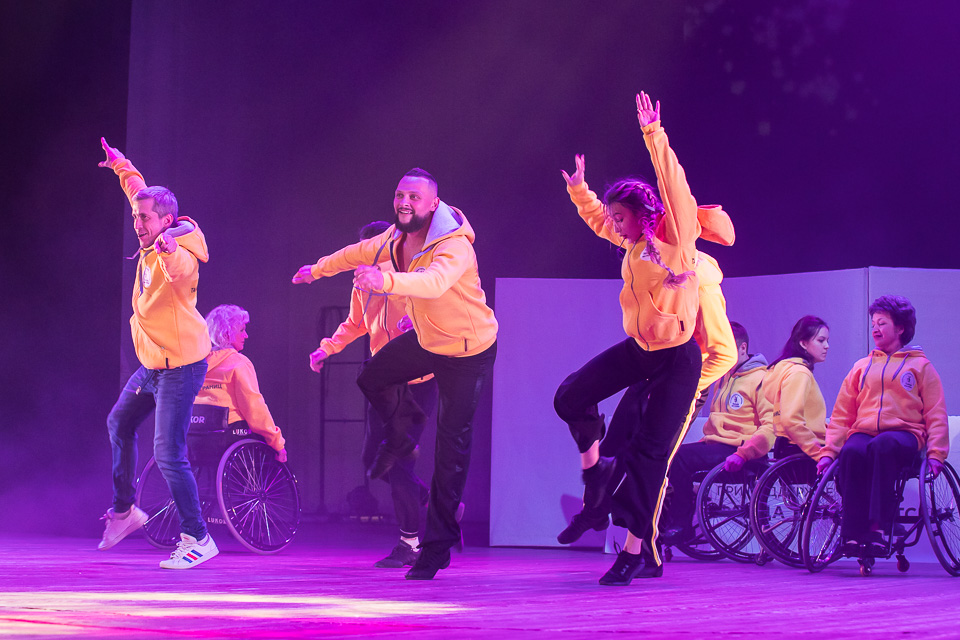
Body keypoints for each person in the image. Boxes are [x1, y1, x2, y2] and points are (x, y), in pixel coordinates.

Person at [292, 168, 497, 580]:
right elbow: (354, 253)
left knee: (450, 450)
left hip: (466, 349)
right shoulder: (392, 240)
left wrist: (385, 280)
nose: (405, 202)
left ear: (433, 204)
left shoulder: (454, 245)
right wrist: (318, 269)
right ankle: (402, 438)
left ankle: (432, 549)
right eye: (400, 195)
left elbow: (434, 283)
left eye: (414, 197)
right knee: (372, 376)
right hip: (429, 341)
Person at [553, 92, 704, 586]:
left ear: (643, 214)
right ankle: (595, 474)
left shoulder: (675, 239)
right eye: (615, 219)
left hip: (677, 360)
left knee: (647, 458)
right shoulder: (633, 242)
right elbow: (601, 220)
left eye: (622, 217)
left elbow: (673, 185)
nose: (615, 225)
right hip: (641, 352)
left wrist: (653, 134)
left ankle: (635, 552)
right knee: (570, 396)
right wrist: (581, 191)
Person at [98, 137, 218, 569]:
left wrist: (169, 250)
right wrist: (122, 165)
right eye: (136, 216)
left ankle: (198, 537)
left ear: (167, 221)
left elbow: (180, 269)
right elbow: (138, 190)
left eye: (145, 218)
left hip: (181, 366)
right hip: (154, 363)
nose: (137, 222)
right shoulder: (153, 231)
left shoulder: (178, 255)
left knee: (168, 452)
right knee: (119, 422)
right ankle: (125, 511)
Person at [308, 221, 439, 569]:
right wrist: (326, 349)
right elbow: (355, 324)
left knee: (399, 461)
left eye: (374, 252)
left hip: (416, 383)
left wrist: (418, 324)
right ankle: (431, 500)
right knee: (372, 460)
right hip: (385, 382)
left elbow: (438, 312)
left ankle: (410, 544)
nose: (366, 259)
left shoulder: (410, 278)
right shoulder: (361, 287)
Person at [816, 296, 949, 557]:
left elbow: (936, 413)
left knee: (883, 445)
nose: (875, 329)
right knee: (851, 451)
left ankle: (879, 526)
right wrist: (829, 452)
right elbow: (842, 414)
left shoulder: (921, 366)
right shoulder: (861, 366)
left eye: (882, 323)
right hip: (864, 432)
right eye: (873, 324)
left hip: (905, 434)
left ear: (900, 328)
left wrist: (936, 454)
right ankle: (851, 534)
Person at [660, 322, 769, 543]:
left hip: (741, 450)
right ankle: (662, 524)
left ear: (742, 348)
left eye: (727, 348)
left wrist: (745, 452)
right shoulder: (724, 377)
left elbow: (769, 426)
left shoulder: (762, 379)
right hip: (717, 445)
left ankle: (682, 524)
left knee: (680, 459)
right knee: (666, 455)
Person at [724, 316, 829, 472]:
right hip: (802, 451)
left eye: (827, 340)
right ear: (803, 343)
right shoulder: (799, 373)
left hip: (786, 447)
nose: (827, 346)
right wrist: (819, 454)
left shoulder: (784, 371)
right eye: (821, 340)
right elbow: (790, 420)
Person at [194, 304, 287, 461]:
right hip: (229, 435)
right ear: (228, 333)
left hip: (195, 435)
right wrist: (277, 442)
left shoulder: (197, 364)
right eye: (242, 330)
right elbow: (254, 407)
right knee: (263, 440)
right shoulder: (238, 363)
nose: (246, 335)